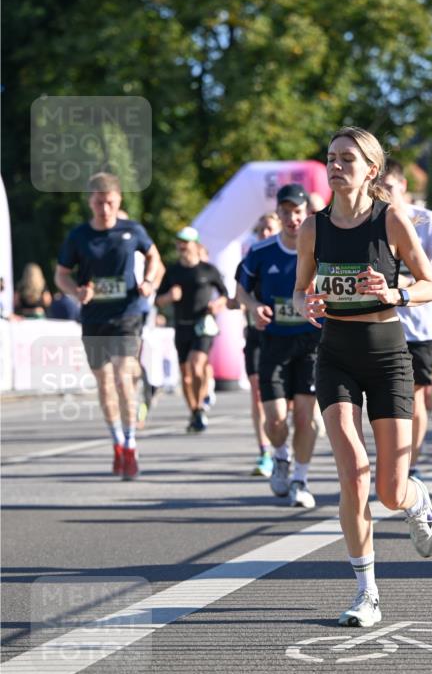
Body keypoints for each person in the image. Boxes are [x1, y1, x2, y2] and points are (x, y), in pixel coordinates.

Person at [293, 127, 432, 629]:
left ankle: (416, 500)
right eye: (331, 158)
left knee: (389, 490)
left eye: (347, 159)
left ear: (370, 169)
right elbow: (299, 289)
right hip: (334, 354)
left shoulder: (392, 219)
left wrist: (395, 291)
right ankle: (367, 592)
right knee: (353, 472)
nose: (336, 166)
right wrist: (306, 303)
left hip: (387, 358)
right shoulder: (313, 227)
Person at [55, 172, 164, 479]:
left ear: (119, 201)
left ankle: (131, 445)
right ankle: (117, 440)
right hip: (94, 318)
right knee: (104, 384)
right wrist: (76, 290)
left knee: (123, 377)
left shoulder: (132, 230)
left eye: (111, 203)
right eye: (99, 203)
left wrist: (149, 281)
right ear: (90, 202)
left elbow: (156, 259)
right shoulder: (78, 236)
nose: (105, 209)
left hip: (127, 314)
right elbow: (61, 274)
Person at [236, 185, 320, 509]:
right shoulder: (260, 252)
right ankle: (280, 456)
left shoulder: (319, 250)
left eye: (298, 212)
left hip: (311, 341)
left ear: (306, 214)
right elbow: (240, 292)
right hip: (273, 342)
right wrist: (253, 306)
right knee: (274, 420)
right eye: (286, 212)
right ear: (279, 214)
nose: (292, 218)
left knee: (304, 416)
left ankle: (300, 478)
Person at [377, 158, 432, 472]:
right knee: (388, 402)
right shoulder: (371, 222)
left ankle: (411, 465)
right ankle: (391, 462)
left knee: (416, 397)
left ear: (403, 186)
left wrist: (409, 282)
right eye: (377, 190)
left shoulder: (424, 219)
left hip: (420, 326)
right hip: (383, 324)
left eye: (389, 188)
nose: (383, 194)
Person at [156, 227, 228, 433]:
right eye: (179, 242)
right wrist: (169, 297)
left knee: (197, 366)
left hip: (203, 325)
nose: (181, 246)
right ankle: (195, 411)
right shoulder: (173, 271)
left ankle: (199, 408)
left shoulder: (208, 270)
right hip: (182, 326)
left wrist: (217, 304)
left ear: (195, 244)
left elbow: (224, 294)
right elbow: (158, 300)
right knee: (186, 375)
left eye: (185, 242)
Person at [232, 211, 281, 477]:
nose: (264, 234)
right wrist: (242, 303)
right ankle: (264, 452)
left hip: (287, 336)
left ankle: (283, 446)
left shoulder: (295, 255)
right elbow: (238, 295)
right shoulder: (251, 258)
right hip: (256, 335)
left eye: (268, 229)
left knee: (287, 400)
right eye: (260, 230)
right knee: (258, 394)